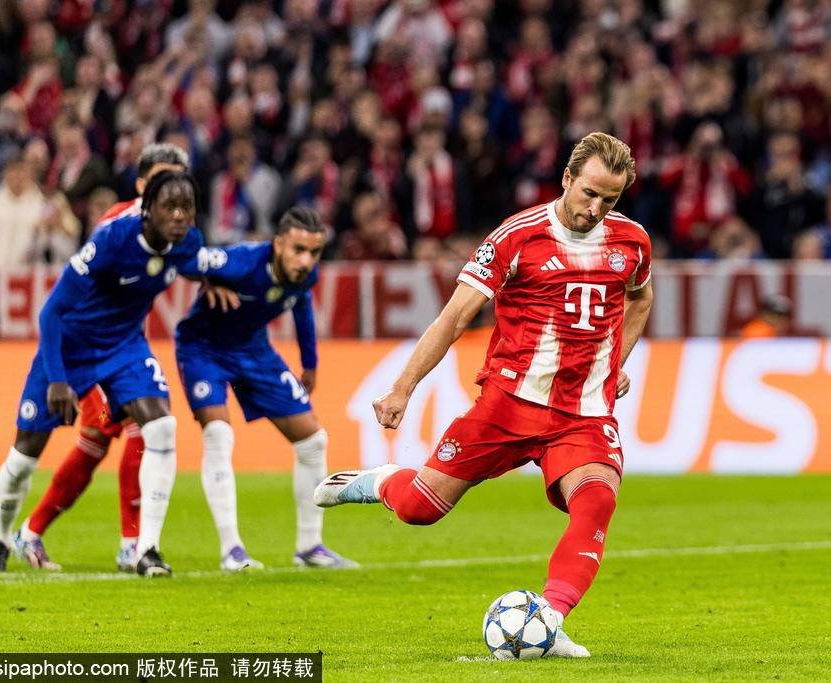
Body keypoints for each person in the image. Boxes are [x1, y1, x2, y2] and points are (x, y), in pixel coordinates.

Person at [314, 132, 653, 657]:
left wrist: (616, 362)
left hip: (584, 412)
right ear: (567, 178)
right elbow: (453, 319)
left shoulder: (632, 241)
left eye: (609, 199)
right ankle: (379, 480)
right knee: (420, 508)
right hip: (508, 406)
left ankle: (548, 620)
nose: (595, 208)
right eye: (589, 193)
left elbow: (640, 299)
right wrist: (402, 389)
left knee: (597, 500)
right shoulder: (516, 238)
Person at [0, 170, 208, 577]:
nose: (179, 215)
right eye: (169, 207)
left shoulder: (187, 242)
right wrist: (58, 379)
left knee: (161, 427)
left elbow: (202, 264)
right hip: (71, 345)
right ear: (147, 209)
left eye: (186, 208)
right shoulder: (112, 240)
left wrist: (220, 281)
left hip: (124, 348)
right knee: (24, 455)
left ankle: (146, 549)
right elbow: (52, 311)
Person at [174, 206, 355, 570]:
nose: (306, 261)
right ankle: (232, 550)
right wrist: (208, 279)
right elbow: (183, 260)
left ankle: (310, 547)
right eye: (298, 250)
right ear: (278, 244)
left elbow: (302, 307)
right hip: (203, 349)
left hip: (254, 351)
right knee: (219, 435)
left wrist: (310, 364)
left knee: (313, 441)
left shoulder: (305, 275)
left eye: (314, 252)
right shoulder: (240, 262)